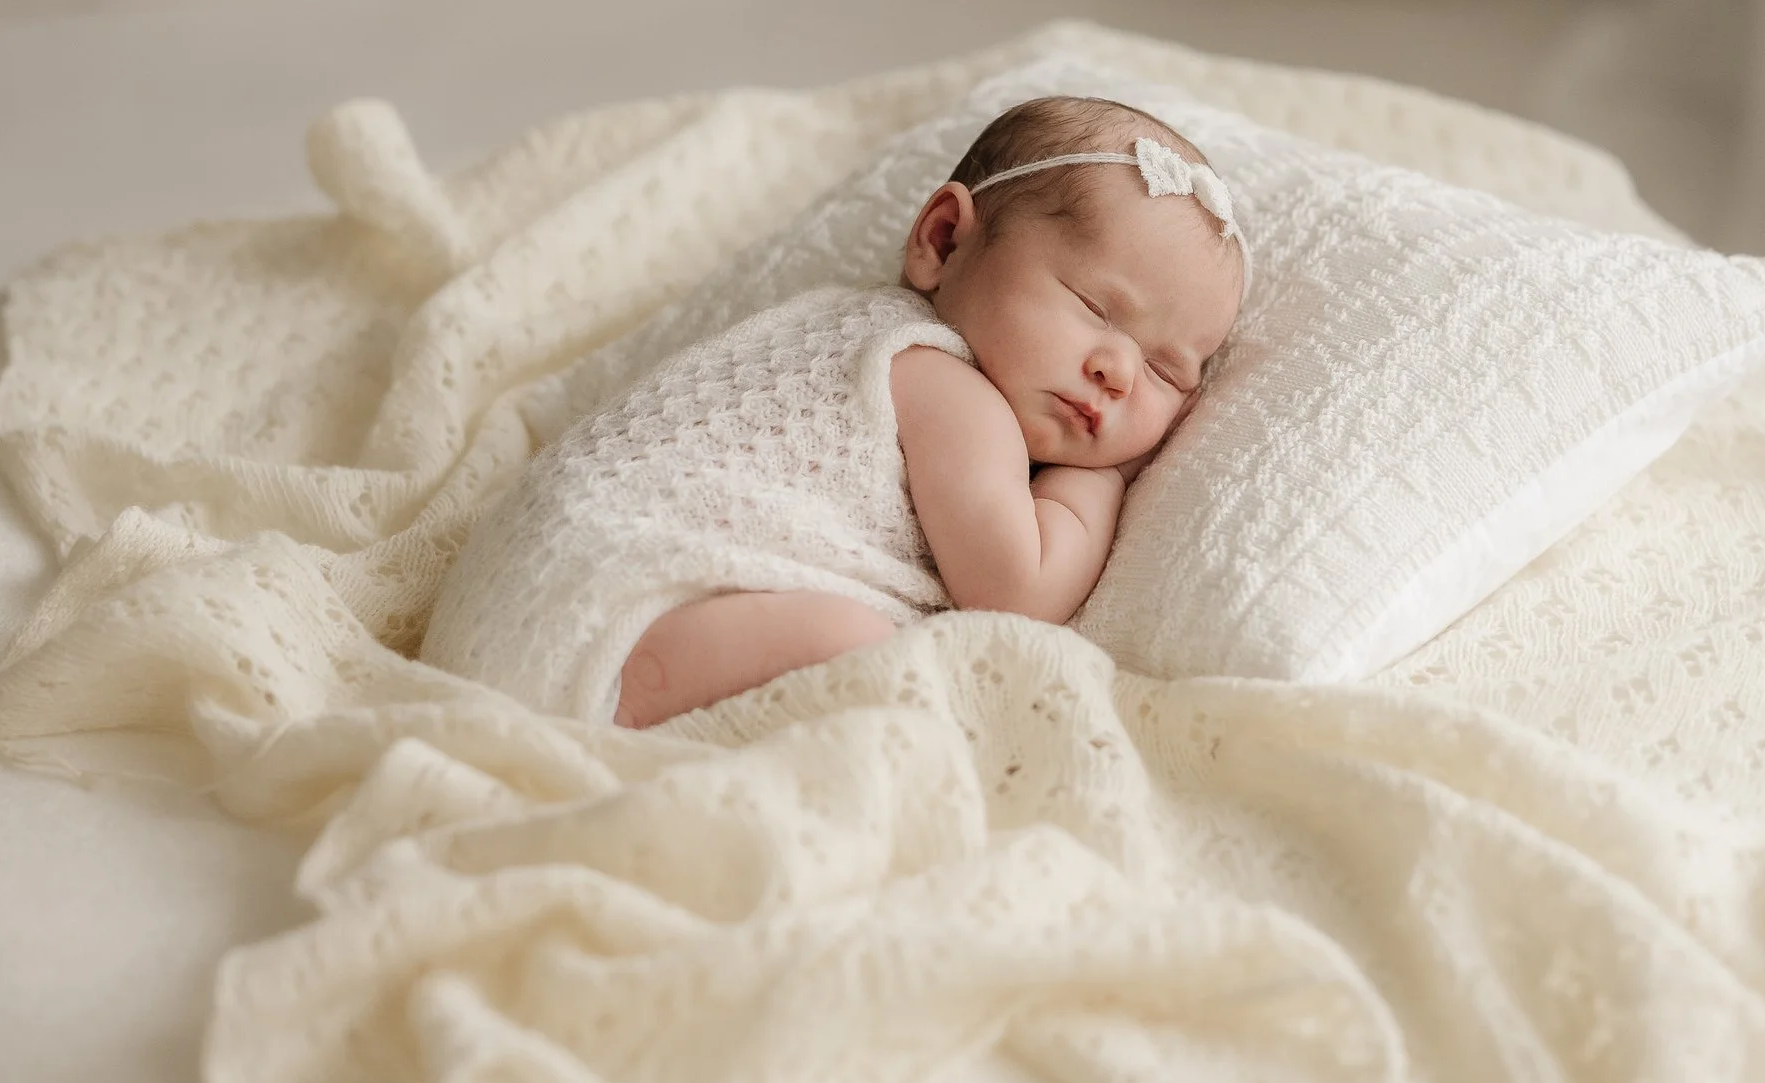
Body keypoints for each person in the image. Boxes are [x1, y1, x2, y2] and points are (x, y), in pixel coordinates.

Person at [420, 96, 1249, 727]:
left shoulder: (828, 321)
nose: (1116, 370)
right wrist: (1096, 480)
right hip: (606, 626)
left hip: (515, 586)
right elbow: (1019, 590)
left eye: (1167, 370)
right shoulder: (945, 387)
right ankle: (620, 703)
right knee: (860, 651)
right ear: (944, 239)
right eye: (1094, 305)